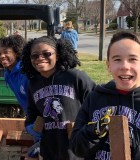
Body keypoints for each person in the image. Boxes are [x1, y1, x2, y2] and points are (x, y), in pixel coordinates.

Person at [21, 36, 96, 159]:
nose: (40, 58)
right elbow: (32, 113)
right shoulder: (33, 84)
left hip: (77, 152)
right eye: (35, 56)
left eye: (47, 53)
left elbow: (97, 105)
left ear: (58, 55)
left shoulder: (75, 77)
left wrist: (87, 129)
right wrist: (30, 126)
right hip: (49, 151)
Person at [70, 31, 140, 159]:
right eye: (117, 59)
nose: (125, 66)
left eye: (133, 59)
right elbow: (76, 147)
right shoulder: (95, 97)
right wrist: (95, 130)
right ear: (108, 66)